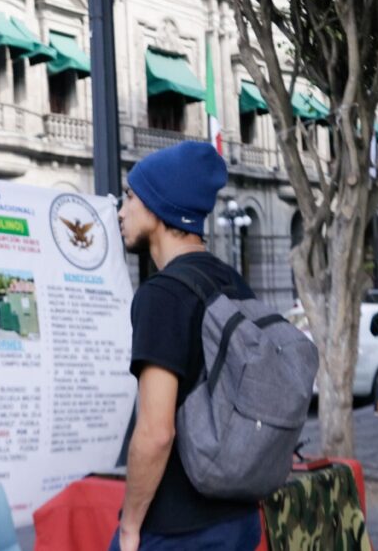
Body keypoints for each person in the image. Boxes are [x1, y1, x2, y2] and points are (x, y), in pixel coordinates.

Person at [111, 141, 261, 551]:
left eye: (129, 197)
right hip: (238, 518)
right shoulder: (233, 283)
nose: (121, 211)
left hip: (176, 529)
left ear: (158, 207)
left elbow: (156, 432)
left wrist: (129, 527)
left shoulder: (162, 295)